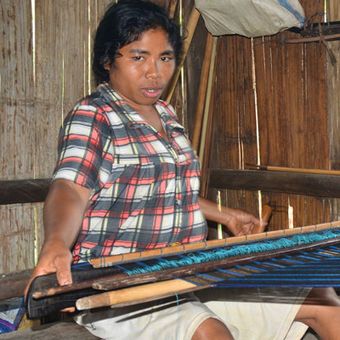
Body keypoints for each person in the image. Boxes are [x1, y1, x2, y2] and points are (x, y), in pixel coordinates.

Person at [27, 1, 340, 339]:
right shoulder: (95, 116)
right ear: (107, 60)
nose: (155, 72)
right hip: (122, 285)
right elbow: (71, 188)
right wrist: (57, 242)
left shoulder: (167, 116)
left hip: (187, 274)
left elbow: (171, 190)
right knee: (210, 333)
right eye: (138, 57)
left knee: (321, 299)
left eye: (165, 58)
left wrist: (226, 215)